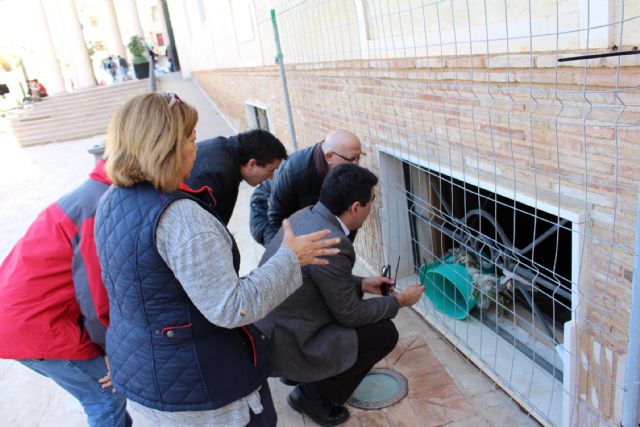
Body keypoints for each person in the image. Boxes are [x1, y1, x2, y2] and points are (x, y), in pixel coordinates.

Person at [94, 92, 340, 426]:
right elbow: (231, 306)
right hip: (202, 388)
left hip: (146, 372)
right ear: (164, 146)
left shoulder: (111, 200)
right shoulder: (181, 219)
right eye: (191, 138)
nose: (197, 147)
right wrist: (291, 258)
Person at [256, 164, 424, 426]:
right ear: (355, 207)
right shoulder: (334, 242)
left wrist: (362, 284)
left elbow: (316, 279)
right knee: (383, 334)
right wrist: (399, 301)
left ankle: (302, 375)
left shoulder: (306, 216)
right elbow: (350, 315)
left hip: (275, 326)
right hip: (290, 339)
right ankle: (310, 396)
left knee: (361, 317)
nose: (374, 208)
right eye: (372, 201)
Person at [0, 160, 131, 426]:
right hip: (35, 325)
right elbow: (96, 298)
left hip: (18, 317)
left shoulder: (90, 193)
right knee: (106, 398)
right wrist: (112, 352)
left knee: (104, 396)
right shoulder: (99, 207)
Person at [250, 129, 364, 246]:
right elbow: (277, 219)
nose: (356, 165)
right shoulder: (295, 171)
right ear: (329, 156)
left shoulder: (345, 170)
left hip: (299, 214)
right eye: (351, 159)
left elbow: (348, 219)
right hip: (268, 212)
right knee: (285, 257)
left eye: (359, 158)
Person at [186, 129, 288, 225]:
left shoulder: (226, 152)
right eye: (271, 170)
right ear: (251, 164)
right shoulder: (217, 174)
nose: (271, 177)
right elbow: (199, 230)